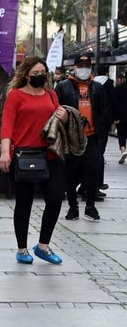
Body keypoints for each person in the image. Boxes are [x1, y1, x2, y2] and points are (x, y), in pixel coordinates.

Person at [0, 56, 68, 265]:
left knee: (55, 199)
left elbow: (58, 119)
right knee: (24, 203)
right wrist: (4, 152)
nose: (40, 77)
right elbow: (7, 125)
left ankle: (43, 245)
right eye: (35, 74)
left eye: (43, 73)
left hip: (50, 154)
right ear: (26, 75)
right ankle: (22, 249)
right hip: (24, 155)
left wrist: (63, 116)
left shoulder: (51, 94)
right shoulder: (16, 96)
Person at [55, 53, 109, 221]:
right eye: (80, 66)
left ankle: (90, 206)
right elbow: (56, 110)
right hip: (72, 139)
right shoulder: (63, 87)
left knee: (92, 173)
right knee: (70, 174)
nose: (83, 69)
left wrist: (101, 133)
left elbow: (103, 111)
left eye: (86, 66)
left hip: (91, 138)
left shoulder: (97, 87)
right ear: (75, 67)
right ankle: (73, 207)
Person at [92, 64, 116, 192]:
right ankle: (96, 183)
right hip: (104, 121)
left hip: (91, 121)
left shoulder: (92, 83)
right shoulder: (109, 84)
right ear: (106, 72)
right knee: (99, 152)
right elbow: (113, 102)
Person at [116, 77, 127, 164]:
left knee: (122, 134)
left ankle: (123, 150)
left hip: (122, 115)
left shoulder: (119, 88)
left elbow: (115, 103)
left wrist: (115, 117)